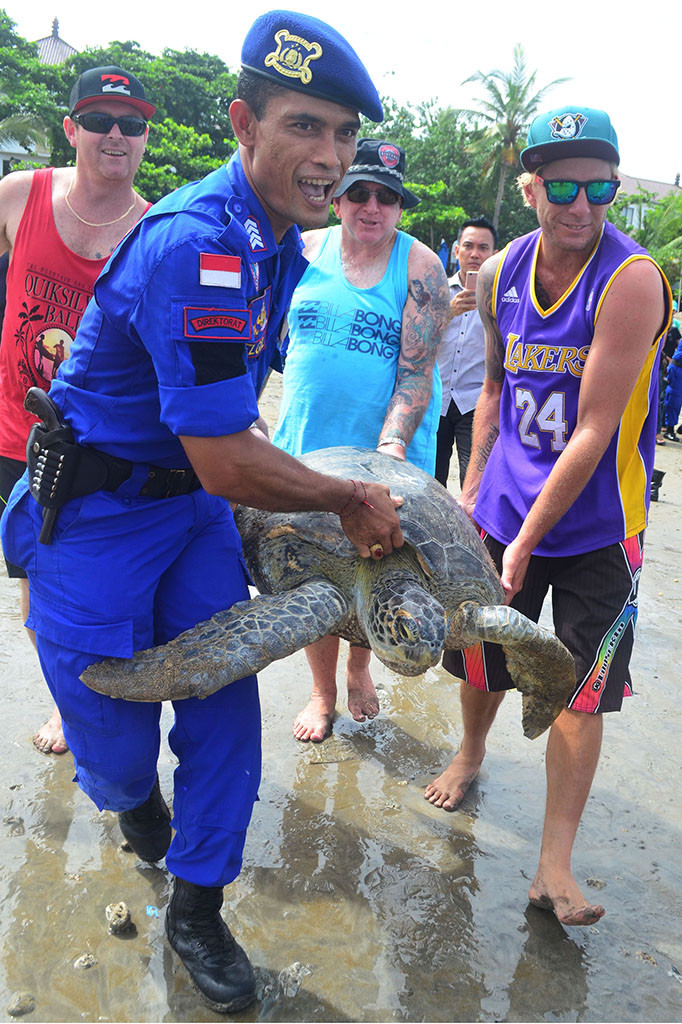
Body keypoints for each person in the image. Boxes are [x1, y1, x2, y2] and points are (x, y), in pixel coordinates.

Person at [1, 11, 404, 1013]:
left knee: (226, 710)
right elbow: (228, 453)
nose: (331, 157)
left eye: (344, 135)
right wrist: (348, 496)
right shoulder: (200, 243)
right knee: (117, 745)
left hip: (188, 518)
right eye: (306, 127)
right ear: (242, 123)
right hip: (93, 524)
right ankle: (141, 821)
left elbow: (225, 443)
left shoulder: (274, 247)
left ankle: (197, 906)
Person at [424, 105, 671, 927]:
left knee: (581, 690)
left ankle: (553, 866)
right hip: (504, 508)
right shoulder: (499, 276)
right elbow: (494, 388)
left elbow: (598, 428)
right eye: (561, 184)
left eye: (599, 186)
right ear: (530, 186)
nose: (581, 203)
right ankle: (470, 752)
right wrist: (472, 493)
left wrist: (529, 537)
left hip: (601, 523)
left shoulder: (630, 280)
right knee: (483, 661)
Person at [272, 138, 449, 743]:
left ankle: (359, 668)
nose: (373, 206)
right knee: (312, 575)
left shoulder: (422, 267)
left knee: (376, 566)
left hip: (384, 456)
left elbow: (415, 374)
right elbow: (266, 339)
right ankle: (322, 693)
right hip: (307, 446)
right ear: (341, 195)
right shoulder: (302, 248)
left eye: (388, 197)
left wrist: (389, 452)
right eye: (362, 192)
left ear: (400, 208)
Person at [0, 65, 154, 755]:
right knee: (34, 575)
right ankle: (67, 699)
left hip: (99, 443)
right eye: (98, 119)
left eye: (130, 124)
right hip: (14, 429)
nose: (114, 135)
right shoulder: (17, 195)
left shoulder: (154, 231)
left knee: (91, 587)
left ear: (145, 136)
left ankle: (98, 712)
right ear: (71, 128)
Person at [435, 216, 498, 488]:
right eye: (469, 246)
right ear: (457, 250)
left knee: (473, 484)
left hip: (474, 401)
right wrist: (447, 313)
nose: (475, 254)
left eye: (483, 248)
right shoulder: (435, 288)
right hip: (435, 398)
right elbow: (416, 341)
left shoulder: (504, 297)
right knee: (429, 482)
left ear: (494, 254)